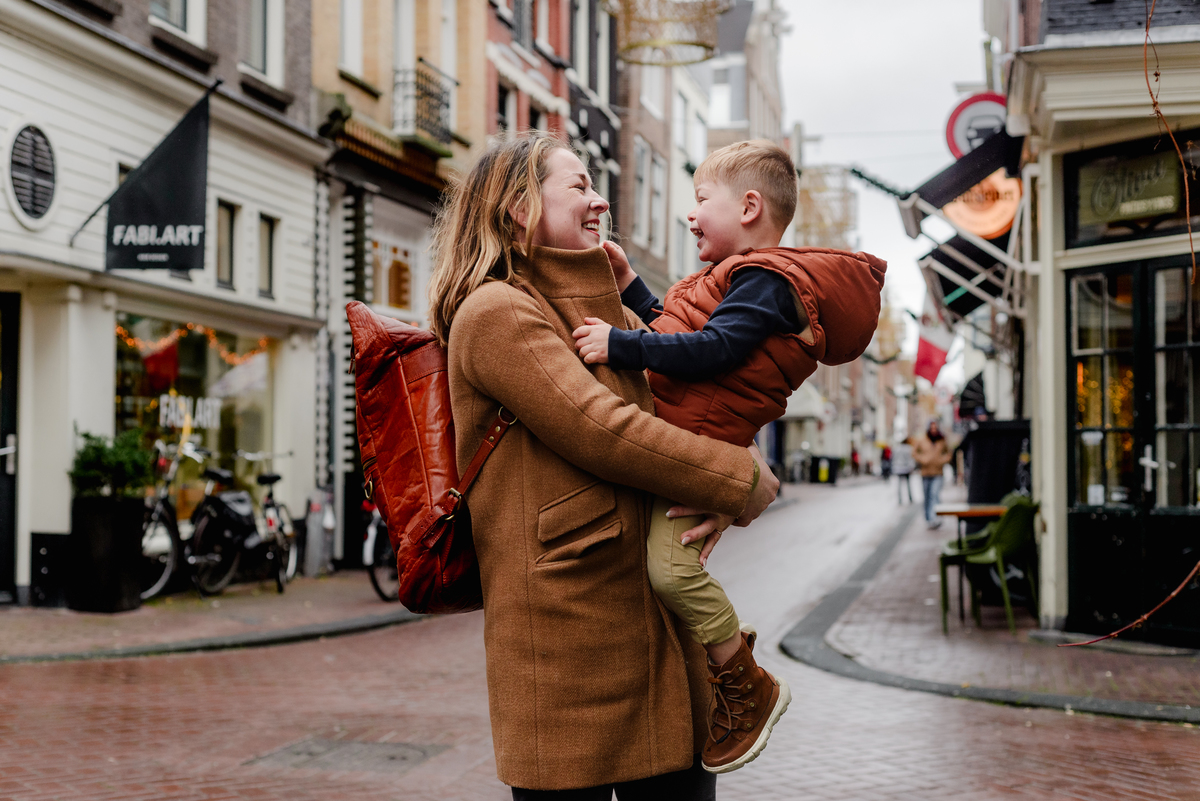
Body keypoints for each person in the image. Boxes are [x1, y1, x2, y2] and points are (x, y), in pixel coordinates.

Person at [428, 132, 779, 799]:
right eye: (580, 186)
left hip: (658, 646)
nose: (599, 201)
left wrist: (732, 468)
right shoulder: (496, 310)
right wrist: (738, 481)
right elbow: (603, 430)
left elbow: (691, 402)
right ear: (518, 209)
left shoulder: (610, 311)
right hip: (566, 650)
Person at [571, 140, 886, 772]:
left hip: (695, 449)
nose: (691, 216)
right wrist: (632, 286)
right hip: (696, 438)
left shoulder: (767, 282)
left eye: (701, 201)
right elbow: (689, 331)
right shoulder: (751, 282)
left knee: (672, 573)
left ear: (747, 207)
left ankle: (747, 682)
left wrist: (620, 345)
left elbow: (712, 350)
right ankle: (727, 661)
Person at [913, 420, 952, 527]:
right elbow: (914, 453)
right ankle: (928, 518)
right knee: (927, 496)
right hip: (925, 473)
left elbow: (948, 453)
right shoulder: (922, 440)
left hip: (938, 472)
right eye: (932, 428)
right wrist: (923, 459)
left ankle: (935, 518)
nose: (933, 430)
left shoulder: (941, 440)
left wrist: (942, 460)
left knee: (935, 494)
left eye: (935, 428)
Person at [891, 436, 916, 504]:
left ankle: (900, 500)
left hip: (898, 468)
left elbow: (893, 458)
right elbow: (911, 459)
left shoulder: (896, 448)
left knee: (899, 485)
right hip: (906, 468)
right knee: (908, 485)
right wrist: (912, 467)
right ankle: (910, 498)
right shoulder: (908, 448)